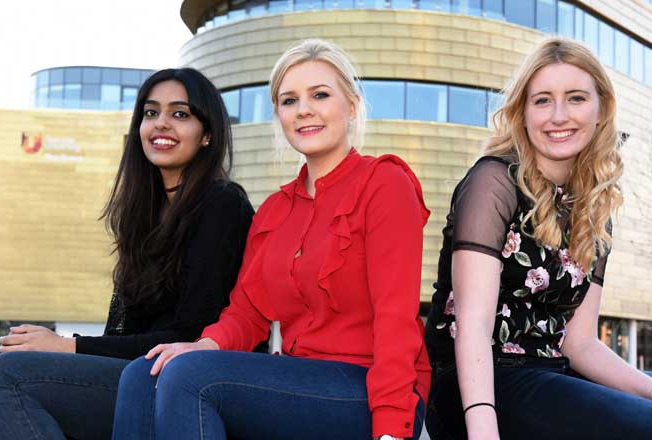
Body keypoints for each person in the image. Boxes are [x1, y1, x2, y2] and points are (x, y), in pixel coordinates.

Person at [423, 37, 652, 440]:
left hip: (558, 371)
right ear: (523, 113)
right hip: (478, 384)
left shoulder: (593, 204)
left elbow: (580, 344)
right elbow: (472, 327)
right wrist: (482, 432)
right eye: (542, 100)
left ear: (601, 109)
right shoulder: (493, 182)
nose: (558, 115)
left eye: (576, 98)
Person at [112, 39, 430, 440]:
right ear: (279, 114)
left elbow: (396, 316)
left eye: (319, 95)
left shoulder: (384, 184)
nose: (304, 110)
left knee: (190, 379)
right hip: (298, 378)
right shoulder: (276, 210)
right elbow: (247, 313)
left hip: (368, 387)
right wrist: (205, 345)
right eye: (288, 100)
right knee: (146, 373)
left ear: (350, 106)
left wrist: (391, 429)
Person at [0, 67, 254, 440]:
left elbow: (192, 333)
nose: (161, 124)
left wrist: (69, 346)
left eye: (180, 114)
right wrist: (62, 348)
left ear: (207, 133)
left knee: (3, 378)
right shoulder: (144, 210)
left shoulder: (221, 204)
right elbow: (123, 331)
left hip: (177, 378)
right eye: (151, 113)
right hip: (135, 370)